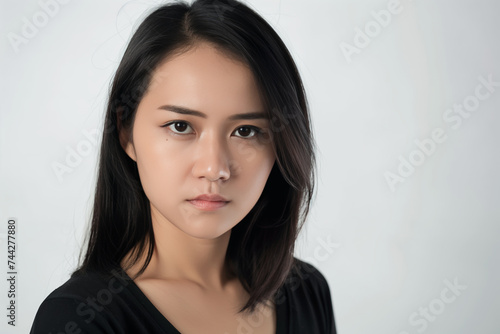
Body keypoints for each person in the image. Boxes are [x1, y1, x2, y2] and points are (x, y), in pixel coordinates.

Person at [30, 0, 336, 333]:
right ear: (125, 131)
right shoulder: (77, 319)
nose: (215, 168)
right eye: (180, 126)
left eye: (246, 131)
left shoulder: (306, 291)